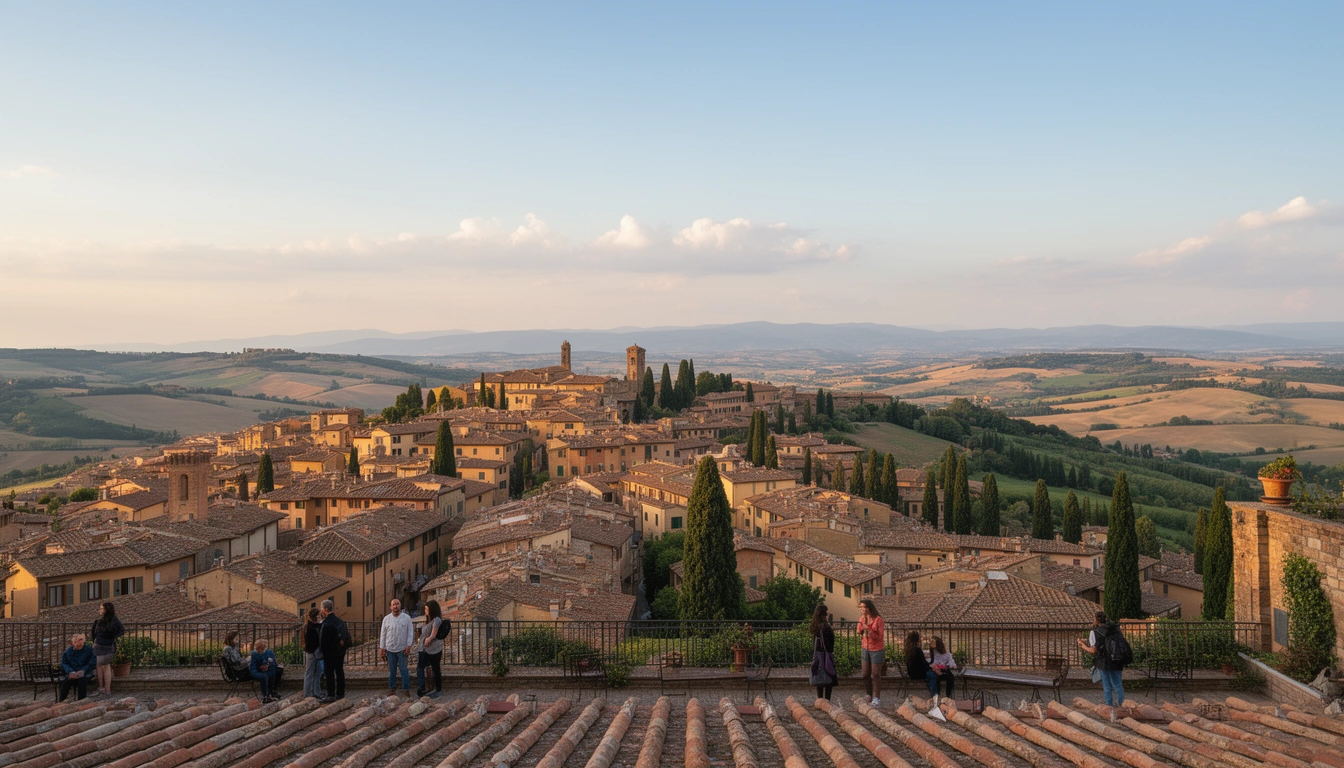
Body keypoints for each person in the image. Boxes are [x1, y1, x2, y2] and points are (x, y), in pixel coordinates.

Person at [1078, 611, 1126, 708]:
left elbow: (1094, 650)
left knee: (1107, 686)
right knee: (1118, 685)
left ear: (1096, 620)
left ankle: (1109, 706)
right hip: (1117, 660)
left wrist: (1083, 646)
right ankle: (1122, 705)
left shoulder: (1095, 632)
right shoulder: (1115, 629)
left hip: (1103, 661)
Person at [379, 598, 415, 696]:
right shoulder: (386, 619)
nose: (395, 606)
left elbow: (410, 633)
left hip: (402, 649)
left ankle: (406, 688)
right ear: (391, 607)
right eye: (393, 605)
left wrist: (408, 646)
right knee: (392, 671)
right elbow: (383, 634)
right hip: (390, 649)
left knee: (404, 670)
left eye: (397, 604)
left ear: (400, 606)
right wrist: (382, 648)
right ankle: (392, 688)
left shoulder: (406, 618)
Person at [89, 602, 124, 697]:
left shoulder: (111, 619)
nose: (100, 610)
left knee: (105, 667)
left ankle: (107, 690)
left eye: (101, 609)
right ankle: (101, 688)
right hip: (100, 645)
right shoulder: (103, 619)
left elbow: (121, 630)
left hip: (106, 645)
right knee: (99, 666)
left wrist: (111, 637)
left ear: (106, 610)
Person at [318, 599, 349, 701]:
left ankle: (330, 694)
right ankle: (340, 693)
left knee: (329, 673)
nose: (321, 610)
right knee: (340, 672)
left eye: (322, 608)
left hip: (329, 653)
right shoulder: (340, 621)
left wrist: (322, 652)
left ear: (325, 609)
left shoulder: (326, 623)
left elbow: (322, 640)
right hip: (340, 652)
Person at [858, 598, 885, 705]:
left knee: (876, 674)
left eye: (864, 607)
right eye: (861, 607)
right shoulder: (862, 619)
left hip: (877, 649)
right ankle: (868, 694)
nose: (862, 609)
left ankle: (876, 697)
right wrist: (861, 631)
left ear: (869, 608)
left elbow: (880, 636)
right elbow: (859, 631)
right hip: (865, 648)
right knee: (865, 673)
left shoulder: (878, 620)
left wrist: (868, 630)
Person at [416, 600, 444, 699]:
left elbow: (433, 634)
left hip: (433, 649)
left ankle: (437, 690)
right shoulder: (429, 620)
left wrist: (427, 640)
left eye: (427, 609)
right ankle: (424, 688)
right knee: (423, 667)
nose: (425, 611)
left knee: (435, 668)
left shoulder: (436, 620)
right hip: (425, 648)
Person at [809, 603, 837, 700]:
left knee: (820, 679)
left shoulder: (816, 626)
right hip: (825, 654)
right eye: (826, 610)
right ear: (823, 613)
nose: (828, 612)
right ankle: (827, 700)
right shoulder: (825, 626)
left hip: (817, 654)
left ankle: (820, 699)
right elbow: (829, 641)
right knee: (828, 678)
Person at [904, 631, 940, 702]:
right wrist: (932, 669)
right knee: (933, 676)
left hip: (911, 673)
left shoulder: (908, 650)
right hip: (918, 674)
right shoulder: (917, 650)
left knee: (931, 674)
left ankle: (935, 695)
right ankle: (935, 695)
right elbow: (924, 664)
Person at [59, 634, 96, 701]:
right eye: (75, 642)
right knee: (66, 682)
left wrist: (83, 671)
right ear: (73, 643)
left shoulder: (89, 650)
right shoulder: (68, 652)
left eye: (80, 642)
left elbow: (92, 663)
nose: (78, 644)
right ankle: (61, 701)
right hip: (73, 672)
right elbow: (64, 663)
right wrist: (71, 671)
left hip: (85, 672)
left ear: (83, 642)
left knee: (82, 681)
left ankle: (81, 701)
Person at [249, 639, 280, 703]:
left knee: (273, 672)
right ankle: (265, 695)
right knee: (264, 676)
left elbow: (273, 661)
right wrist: (259, 667)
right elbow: (253, 666)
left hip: (268, 669)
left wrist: (268, 665)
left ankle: (271, 691)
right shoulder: (254, 653)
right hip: (256, 671)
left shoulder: (269, 652)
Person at [303, 608, 323, 699]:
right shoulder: (310, 628)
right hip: (312, 652)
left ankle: (315, 692)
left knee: (316, 672)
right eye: (318, 615)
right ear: (315, 616)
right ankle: (308, 693)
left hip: (313, 652)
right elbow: (312, 640)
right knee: (310, 673)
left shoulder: (312, 626)